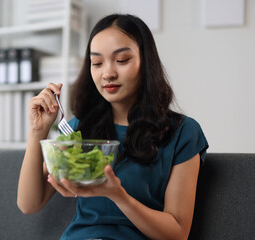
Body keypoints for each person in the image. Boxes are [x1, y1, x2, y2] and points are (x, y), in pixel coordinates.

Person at [17, 13, 208, 240]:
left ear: (146, 63)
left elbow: (177, 233)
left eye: (122, 60)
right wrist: (38, 131)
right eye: (97, 63)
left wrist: (118, 195)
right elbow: (29, 204)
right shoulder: (80, 128)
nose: (107, 73)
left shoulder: (183, 133)